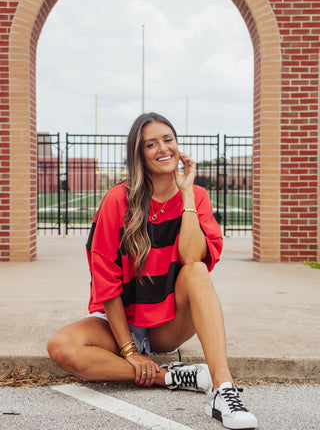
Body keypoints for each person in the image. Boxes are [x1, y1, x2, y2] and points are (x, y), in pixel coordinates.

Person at [47, 112, 257, 430]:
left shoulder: (197, 197)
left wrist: (186, 193)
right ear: (140, 155)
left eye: (168, 139)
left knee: (197, 273)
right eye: (151, 144)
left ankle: (223, 389)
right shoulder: (118, 200)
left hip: (166, 322)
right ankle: (168, 376)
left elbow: (192, 256)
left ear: (177, 145)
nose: (163, 148)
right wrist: (130, 351)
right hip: (120, 323)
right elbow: (106, 282)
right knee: (61, 347)